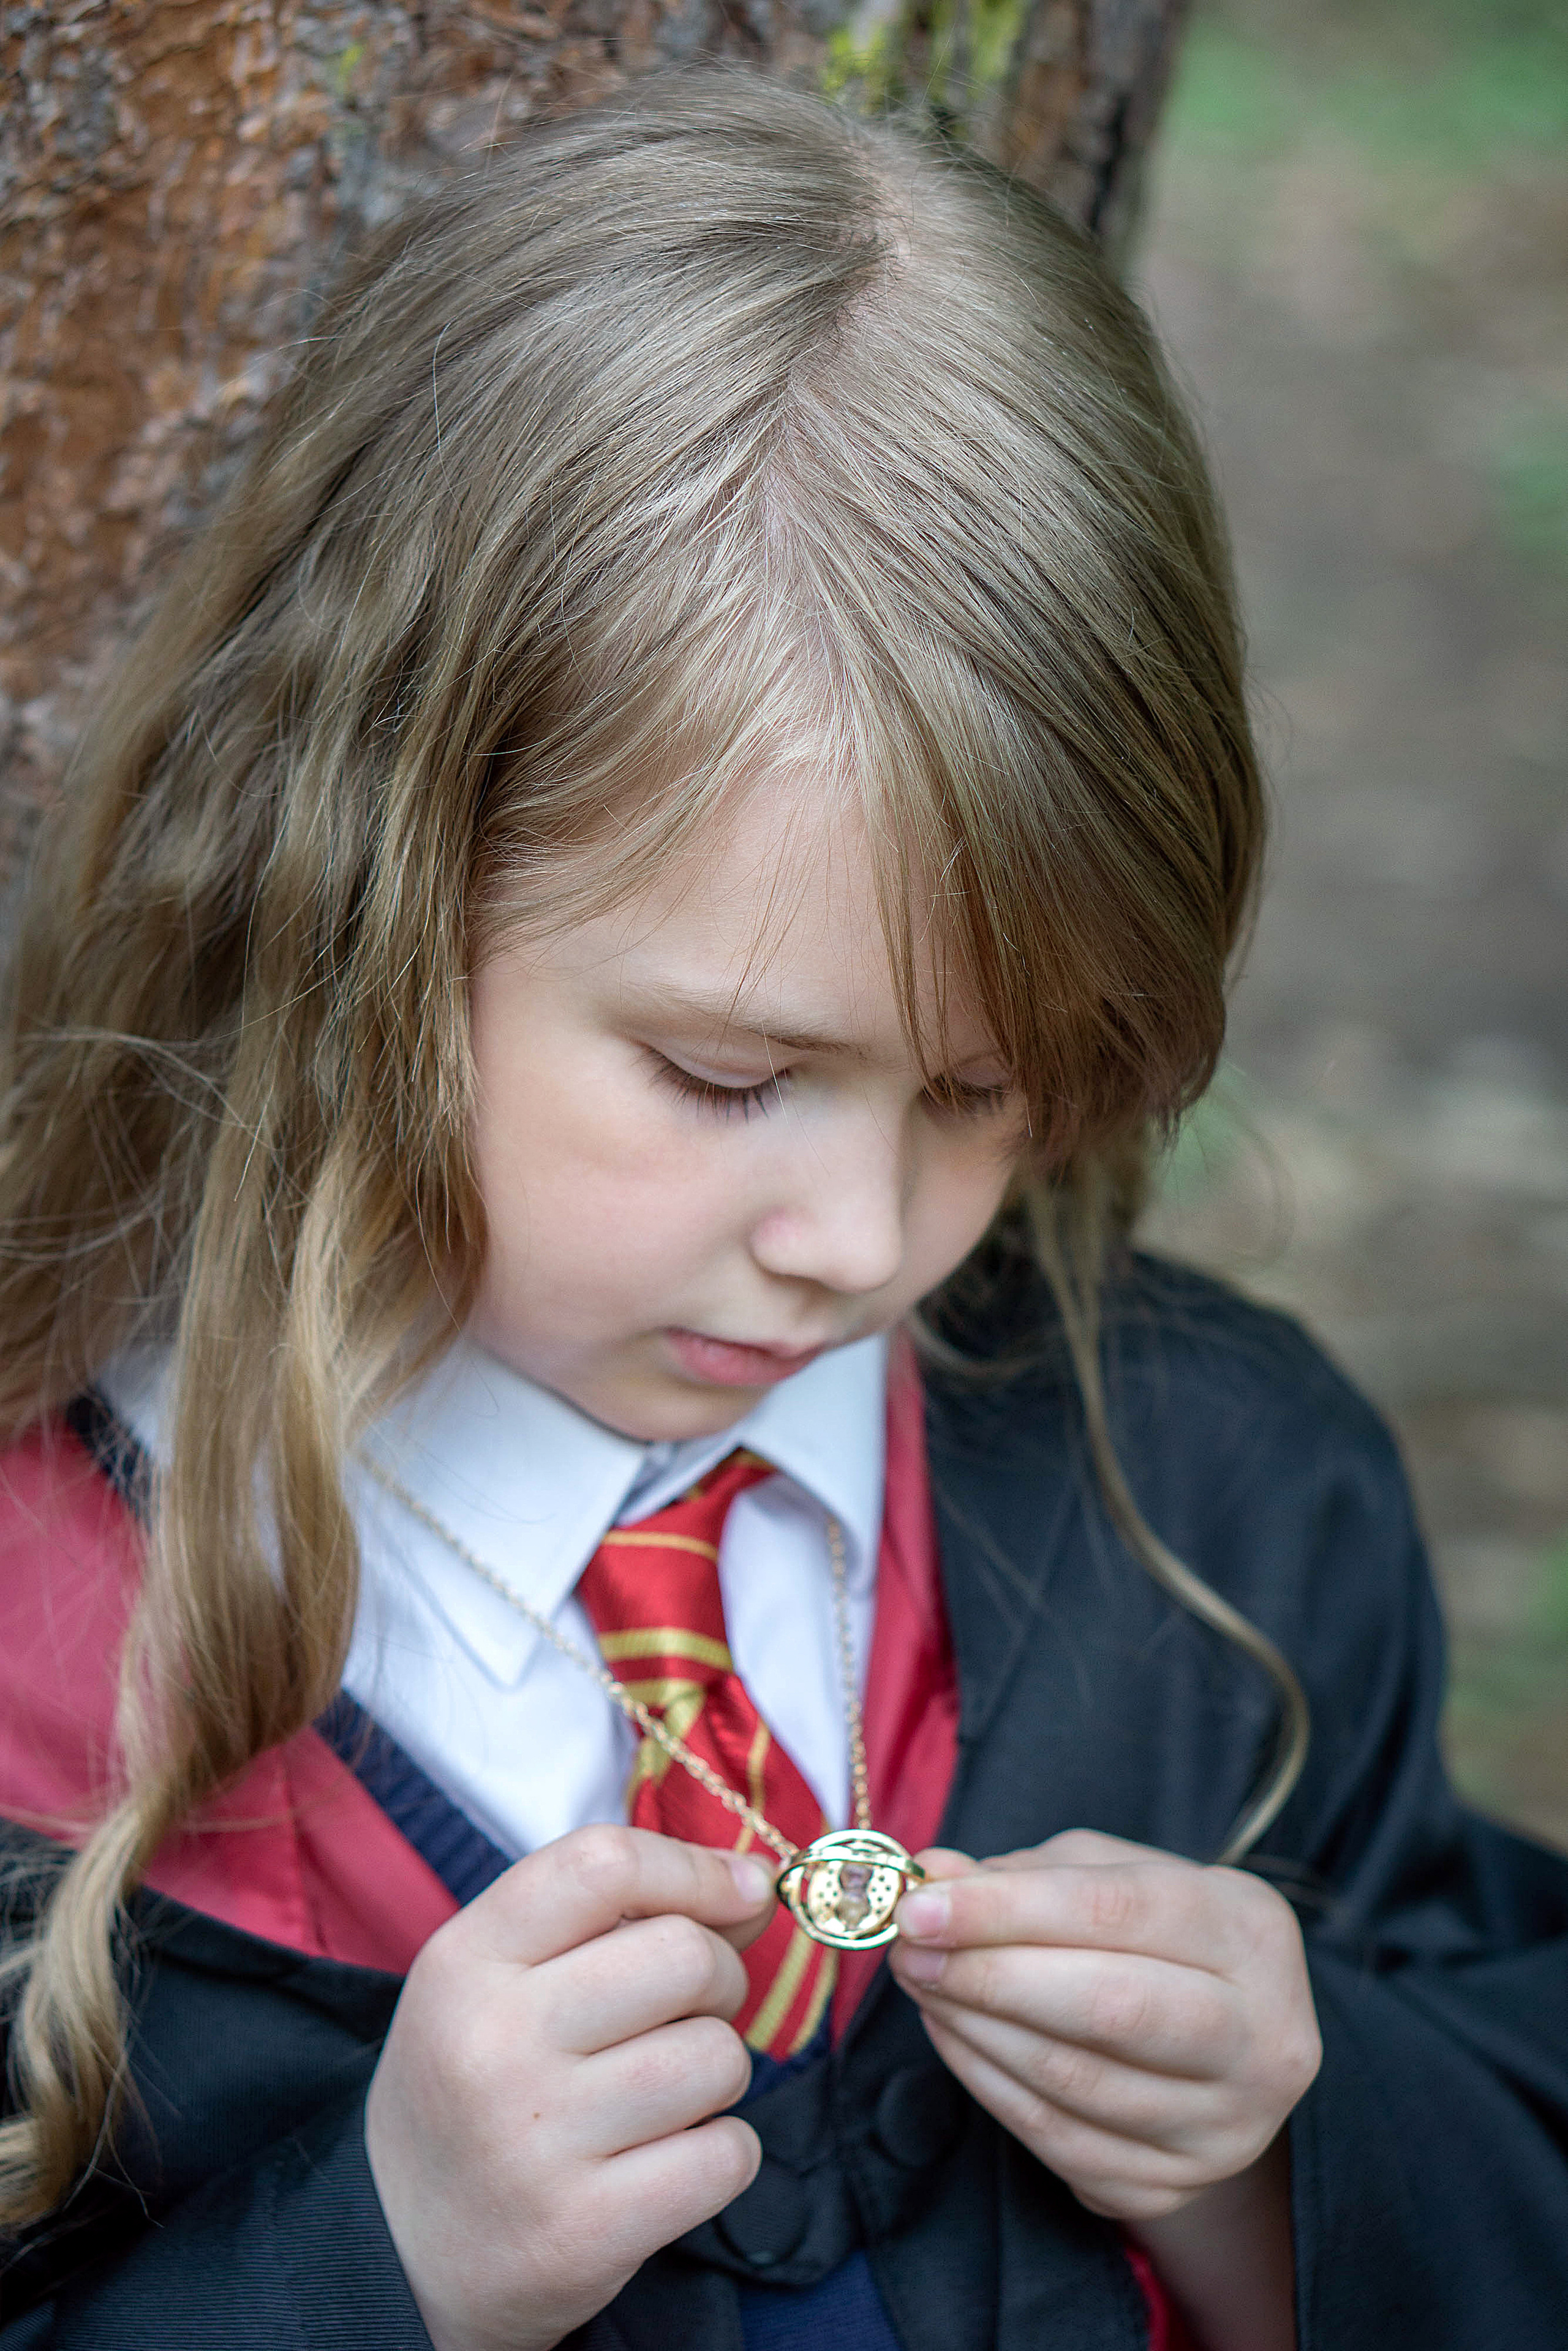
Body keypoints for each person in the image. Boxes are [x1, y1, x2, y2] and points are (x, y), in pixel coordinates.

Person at [0, 64, 1564, 2351]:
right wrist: (369, 2266)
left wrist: (1295, 2161)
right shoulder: (39, 1663)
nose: (862, 1232)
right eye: (731, 1074)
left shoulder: (1221, 1509)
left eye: (979, 1087)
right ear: (348, 893)